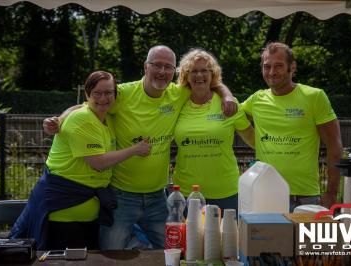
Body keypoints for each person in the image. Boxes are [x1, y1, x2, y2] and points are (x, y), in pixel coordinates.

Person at [43, 45, 237, 250]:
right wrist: (59, 119)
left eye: (168, 67)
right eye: (157, 65)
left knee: (176, 252)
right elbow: (87, 105)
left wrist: (227, 96)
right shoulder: (124, 94)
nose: (162, 72)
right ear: (146, 67)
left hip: (158, 198)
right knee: (111, 253)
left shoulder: (178, 93)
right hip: (122, 196)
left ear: (175, 72)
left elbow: (210, 82)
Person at [9, 71, 151, 250]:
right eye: (97, 93)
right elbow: (98, 162)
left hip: (84, 217)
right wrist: (135, 150)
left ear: (115, 95)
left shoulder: (105, 116)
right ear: (87, 94)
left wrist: (60, 118)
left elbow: (76, 106)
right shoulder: (83, 119)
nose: (103, 98)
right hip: (63, 216)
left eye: (108, 93)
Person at [241, 42, 342, 212]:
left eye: (279, 66)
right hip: (265, 194)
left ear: (292, 67)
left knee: (307, 240)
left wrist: (331, 192)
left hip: (304, 197)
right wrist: (255, 141)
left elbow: (334, 144)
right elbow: (233, 117)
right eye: (267, 67)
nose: (272, 72)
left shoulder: (314, 97)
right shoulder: (256, 100)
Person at [173, 48, 254, 212]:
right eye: (193, 71)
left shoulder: (229, 105)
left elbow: (254, 141)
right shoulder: (177, 102)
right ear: (186, 76)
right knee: (188, 238)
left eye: (204, 71)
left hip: (225, 192)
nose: (199, 75)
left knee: (228, 237)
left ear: (213, 75)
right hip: (187, 192)